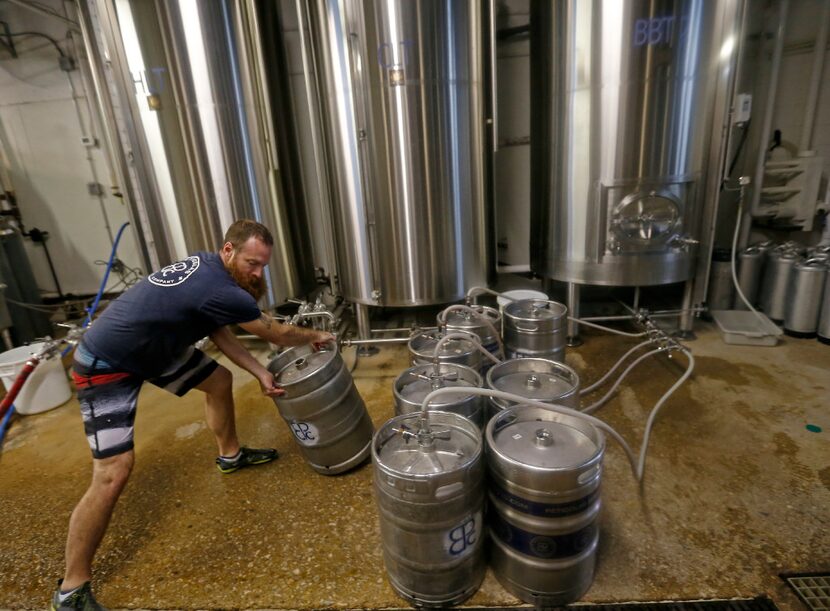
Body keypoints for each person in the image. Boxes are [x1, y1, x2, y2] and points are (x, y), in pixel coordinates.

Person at [51, 220, 333, 611]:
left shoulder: (208, 267)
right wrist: (317, 336)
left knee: (218, 381)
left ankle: (230, 456)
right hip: (106, 363)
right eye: (252, 263)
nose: (257, 273)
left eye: (263, 265)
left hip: (152, 348)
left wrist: (260, 372)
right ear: (229, 250)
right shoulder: (219, 286)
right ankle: (71, 588)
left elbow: (216, 326)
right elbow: (279, 334)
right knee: (113, 471)